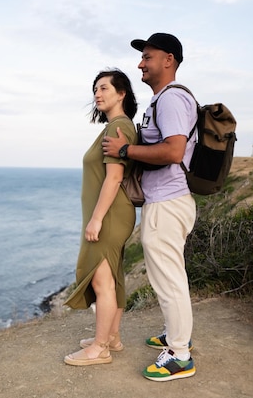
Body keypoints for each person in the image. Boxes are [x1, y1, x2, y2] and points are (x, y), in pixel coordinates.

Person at [102, 33, 197, 381]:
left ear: (168, 60)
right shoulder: (165, 100)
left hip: (168, 202)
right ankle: (178, 335)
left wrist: (125, 151)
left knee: (168, 279)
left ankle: (180, 354)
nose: (140, 63)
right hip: (173, 200)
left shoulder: (171, 100)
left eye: (147, 57)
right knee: (174, 275)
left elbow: (173, 151)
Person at [63, 69, 138, 366]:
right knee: (113, 277)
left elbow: (114, 178)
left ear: (122, 94)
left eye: (104, 88)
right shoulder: (118, 126)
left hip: (109, 215)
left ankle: (99, 348)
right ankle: (112, 337)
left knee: (101, 282)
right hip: (113, 214)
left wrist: (95, 220)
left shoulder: (118, 127)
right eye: (95, 89)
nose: (97, 93)